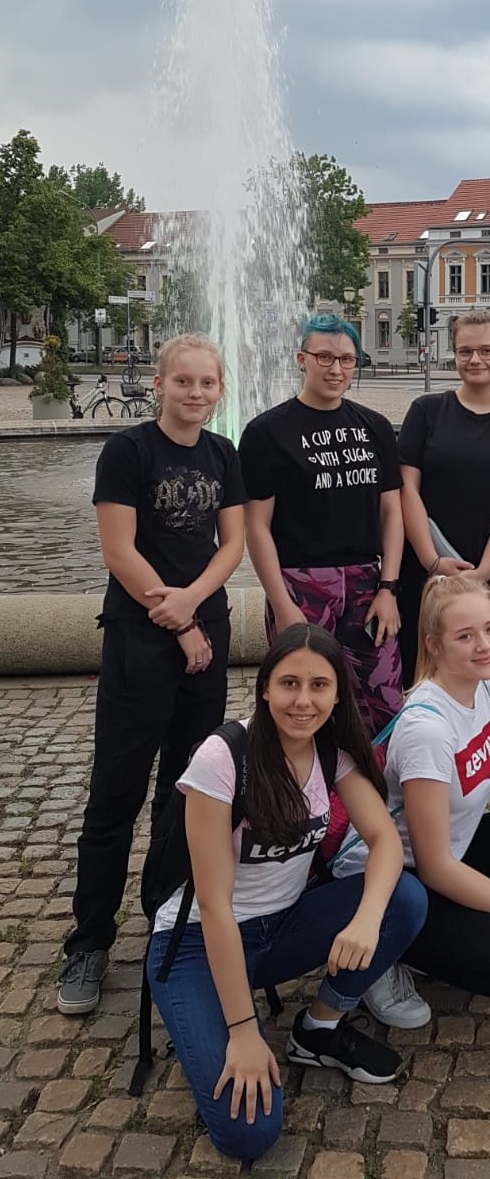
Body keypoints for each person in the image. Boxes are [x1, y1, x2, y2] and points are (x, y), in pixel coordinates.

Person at [148, 624, 427, 1162]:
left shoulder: (332, 756)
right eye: (289, 684)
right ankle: (207, 1019)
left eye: (319, 686)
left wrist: (367, 917)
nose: (303, 701)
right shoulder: (222, 758)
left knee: (403, 900)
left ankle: (317, 1029)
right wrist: (244, 1031)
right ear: (265, 689)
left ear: (338, 694)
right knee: (249, 1133)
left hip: (281, 927)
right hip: (196, 943)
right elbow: (213, 905)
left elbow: (385, 841)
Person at [57, 336, 246, 1017]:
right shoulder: (128, 451)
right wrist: (181, 618)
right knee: (115, 792)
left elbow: (234, 545)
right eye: (183, 381)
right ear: (159, 383)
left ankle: (165, 911)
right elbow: (119, 550)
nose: (196, 393)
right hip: (143, 636)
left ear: (219, 389)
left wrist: (195, 603)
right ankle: (89, 938)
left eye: (207, 383)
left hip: (204, 630)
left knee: (186, 789)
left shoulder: (223, 453)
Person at [335, 574, 490, 1009]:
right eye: (465, 636)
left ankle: (460, 924)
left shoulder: (489, 684)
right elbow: (435, 868)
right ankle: (390, 951)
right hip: (397, 878)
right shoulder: (426, 730)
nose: (485, 645)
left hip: (455, 851)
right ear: (434, 645)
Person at [238, 313, 404, 734]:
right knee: (303, 703)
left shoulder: (375, 427)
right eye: (324, 357)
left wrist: (389, 587)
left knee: (383, 700)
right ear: (302, 359)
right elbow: (256, 526)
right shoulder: (267, 432)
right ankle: (303, 793)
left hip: (367, 580)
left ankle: (375, 791)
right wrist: (281, 603)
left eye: (347, 360)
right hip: (300, 581)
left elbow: (391, 511)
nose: (336, 369)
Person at [398, 310, 490, 716]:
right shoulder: (426, 411)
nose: (475, 359)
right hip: (426, 570)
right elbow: (406, 489)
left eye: (486, 350)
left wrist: (481, 574)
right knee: (422, 674)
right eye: (465, 351)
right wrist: (431, 560)